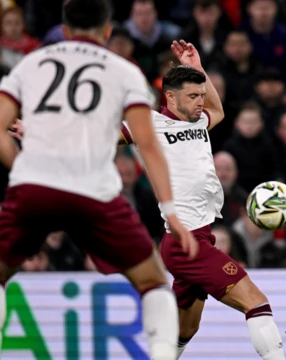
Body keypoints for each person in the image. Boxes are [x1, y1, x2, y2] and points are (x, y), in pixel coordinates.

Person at [0, 0, 198, 359]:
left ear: (63, 29)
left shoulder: (30, 64)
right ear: (108, 30)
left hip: (34, 185)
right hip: (94, 190)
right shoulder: (123, 71)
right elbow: (148, 144)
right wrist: (171, 212)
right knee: (153, 282)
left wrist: (20, 167)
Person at [120, 40, 286, 360]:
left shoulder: (198, 121)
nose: (200, 102)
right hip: (185, 242)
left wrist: (197, 68)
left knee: (184, 330)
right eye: (193, 96)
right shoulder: (149, 125)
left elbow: (219, 110)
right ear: (170, 96)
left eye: (200, 95)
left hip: (202, 235)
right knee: (256, 301)